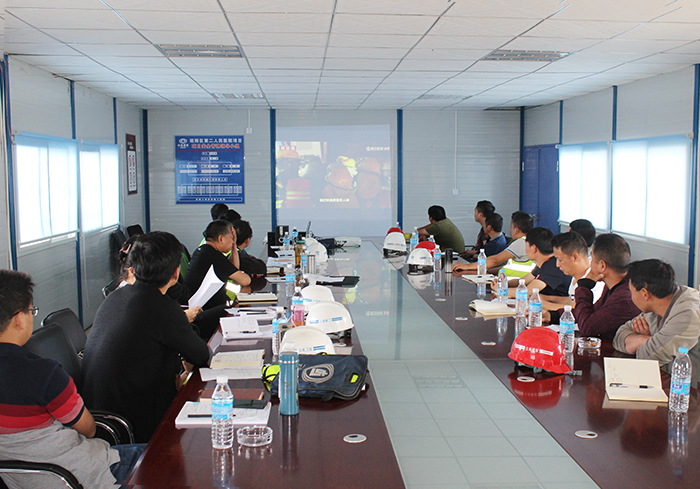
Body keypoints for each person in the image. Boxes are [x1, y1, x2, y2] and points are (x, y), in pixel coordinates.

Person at [0, 270, 144, 488]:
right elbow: (88, 429)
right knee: (163, 458)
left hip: (17, 481)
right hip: (72, 475)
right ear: (19, 318)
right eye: (31, 311)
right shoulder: (43, 373)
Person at [83, 232, 210, 443]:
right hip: (132, 423)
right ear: (175, 273)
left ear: (134, 268)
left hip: (99, 416)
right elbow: (201, 354)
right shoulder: (161, 307)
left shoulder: (116, 296)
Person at [550, 233, 640, 341]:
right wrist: (552, 316)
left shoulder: (623, 298)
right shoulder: (614, 286)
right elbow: (593, 313)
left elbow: (587, 327)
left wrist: (584, 287)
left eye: (592, 259)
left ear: (602, 266)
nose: (590, 263)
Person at [613, 259, 700, 369]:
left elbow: (649, 357)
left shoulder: (687, 313)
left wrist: (647, 343)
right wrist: (645, 339)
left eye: (631, 292)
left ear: (645, 294)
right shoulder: (657, 306)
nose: (631, 297)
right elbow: (619, 338)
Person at [186, 220, 251, 310]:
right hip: (207, 309)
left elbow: (234, 269)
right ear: (221, 238)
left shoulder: (203, 251)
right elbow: (245, 280)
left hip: (204, 305)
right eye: (231, 238)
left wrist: (234, 248)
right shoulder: (213, 256)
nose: (233, 241)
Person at [453, 211, 534, 273]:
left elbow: (495, 260)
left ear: (516, 230)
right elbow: (507, 266)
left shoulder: (521, 242)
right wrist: (488, 271)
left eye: (511, 227)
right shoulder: (529, 241)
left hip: (515, 285)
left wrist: (467, 266)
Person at [544, 232, 605, 314]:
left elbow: (574, 309)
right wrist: (546, 298)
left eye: (560, 260)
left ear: (575, 257)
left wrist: (538, 303)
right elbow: (572, 300)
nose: (557, 265)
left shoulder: (593, 279)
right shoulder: (576, 274)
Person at [502, 227, 569, 298]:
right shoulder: (545, 263)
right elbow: (523, 281)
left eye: (527, 246)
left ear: (534, 248)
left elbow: (528, 292)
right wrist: (504, 284)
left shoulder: (552, 266)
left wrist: (501, 290)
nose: (526, 249)